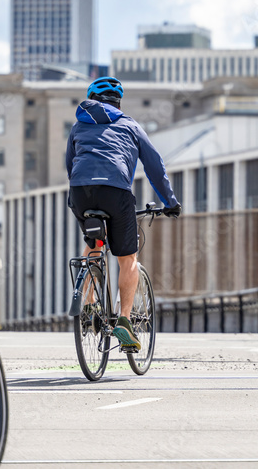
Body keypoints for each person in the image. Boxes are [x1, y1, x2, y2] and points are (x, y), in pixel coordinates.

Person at [66, 76, 181, 351]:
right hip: (116, 192)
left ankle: (89, 304)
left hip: (80, 192)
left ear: (92, 99)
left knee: (94, 244)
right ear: (118, 102)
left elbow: (69, 165)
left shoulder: (78, 125)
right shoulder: (130, 125)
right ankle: (125, 321)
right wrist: (170, 202)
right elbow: (155, 167)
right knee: (127, 258)